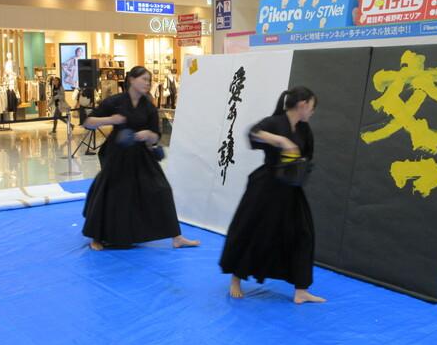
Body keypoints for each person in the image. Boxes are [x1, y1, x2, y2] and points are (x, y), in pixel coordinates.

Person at [219, 86, 326, 304]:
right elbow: (252, 133)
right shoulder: (274, 122)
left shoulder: (305, 130)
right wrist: (281, 141)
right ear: (302, 105)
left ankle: (301, 290)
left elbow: (308, 154)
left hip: (291, 188)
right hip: (266, 186)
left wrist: (300, 163)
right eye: (312, 107)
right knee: (251, 230)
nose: (312, 113)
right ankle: (236, 279)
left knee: (303, 234)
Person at [81, 65, 199, 251]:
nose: (147, 83)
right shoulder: (115, 102)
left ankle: (177, 237)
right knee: (110, 194)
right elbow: (88, 123)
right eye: (144, 79)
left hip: (141, 155)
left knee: (162, 190)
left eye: (149, 80)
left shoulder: (149, 107)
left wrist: (147, 135)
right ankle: (97, 237)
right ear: (131, 80)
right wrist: (110, 119)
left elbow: (156, 136)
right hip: (117, 154)